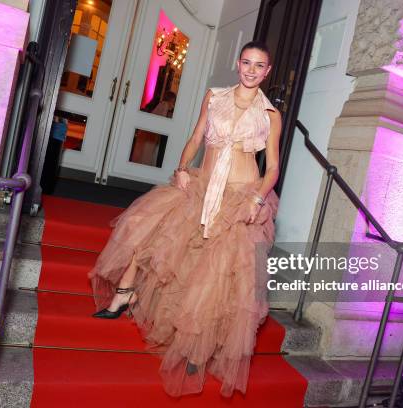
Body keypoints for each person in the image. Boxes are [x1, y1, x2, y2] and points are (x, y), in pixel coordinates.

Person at [87, 41, 282, 398]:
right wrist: (181, 169)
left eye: (259, 66)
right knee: (151, 232)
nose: (251, 70)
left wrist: (257, 197)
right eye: (246, 62)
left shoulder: (270, 114)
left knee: (217, 272)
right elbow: (195, 138)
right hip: (201, 185)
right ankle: (124, 295)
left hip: (240, 196)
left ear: (267, 71)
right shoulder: (215, 96)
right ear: (237, 64)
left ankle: (197, 347)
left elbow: (272, 168)